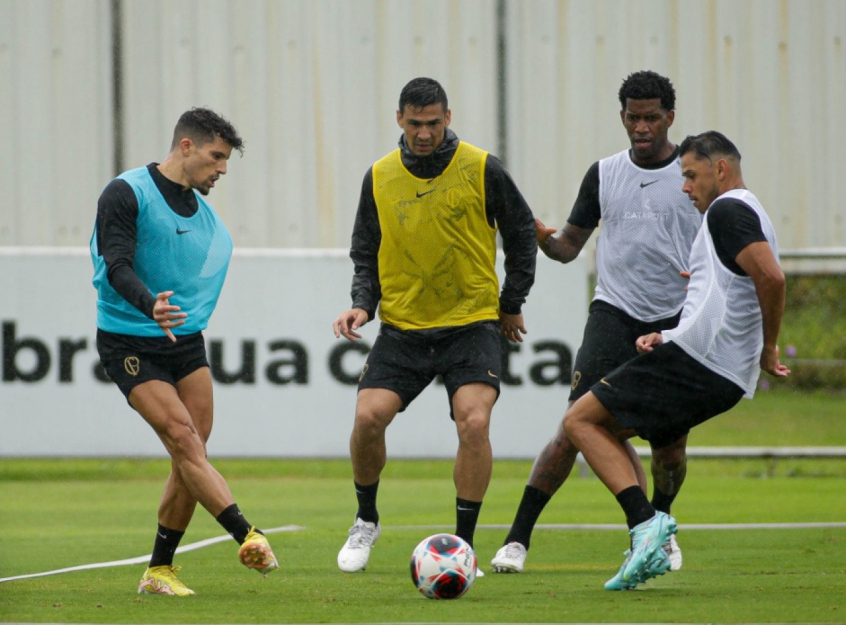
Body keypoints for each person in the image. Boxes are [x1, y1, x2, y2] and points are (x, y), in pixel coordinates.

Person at [492, 70, 702, 575]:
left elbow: (722, 242)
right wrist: (541, 236)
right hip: (614, 314)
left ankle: (661, 525)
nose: (641, 127)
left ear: (670, 118)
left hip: (676, 321)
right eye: (633, 117)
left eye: (652, 118)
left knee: (669, 449)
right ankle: (517, 540)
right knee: (573, 427)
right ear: (622, 116)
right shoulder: (604, 173)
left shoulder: (692, 174)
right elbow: (568, 248)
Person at [564, 130, 789, 590]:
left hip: (701, 363)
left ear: (719, 169)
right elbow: (727, 290)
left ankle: (647, 526)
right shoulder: (746, 210)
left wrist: (769, 347)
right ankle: (650, 529)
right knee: (608, 430)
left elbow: (772, 278)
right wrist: (667, 334)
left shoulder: (727, 210)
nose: (684, 187)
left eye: (690, 176)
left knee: (578, 420)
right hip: (715, 369)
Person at [332, 77, 537, 574]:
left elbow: (522, 234)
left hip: (471, 323)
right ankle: (365, 519)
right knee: (367, 419)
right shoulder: (379, 176)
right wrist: (362, 305)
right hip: (403, 328)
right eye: (414, 124)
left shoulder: (482, 167)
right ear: (399, 120)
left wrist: (511, 302)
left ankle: (462, 545)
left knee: (474, 421)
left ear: (448, 117)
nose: (423, 133)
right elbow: (365, 251)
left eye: (432, 123)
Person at [90, 107, 278, 596]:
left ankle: (159, 571)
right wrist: (149, 304)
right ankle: (247, 533)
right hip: (128, 338)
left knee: (190, 452)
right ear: (186, 146)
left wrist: (175, 314)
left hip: (183, 340)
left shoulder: (208, 221)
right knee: (182, 437)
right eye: (216, 156)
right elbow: (116, 264)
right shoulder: (126, 192)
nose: (222, 169)